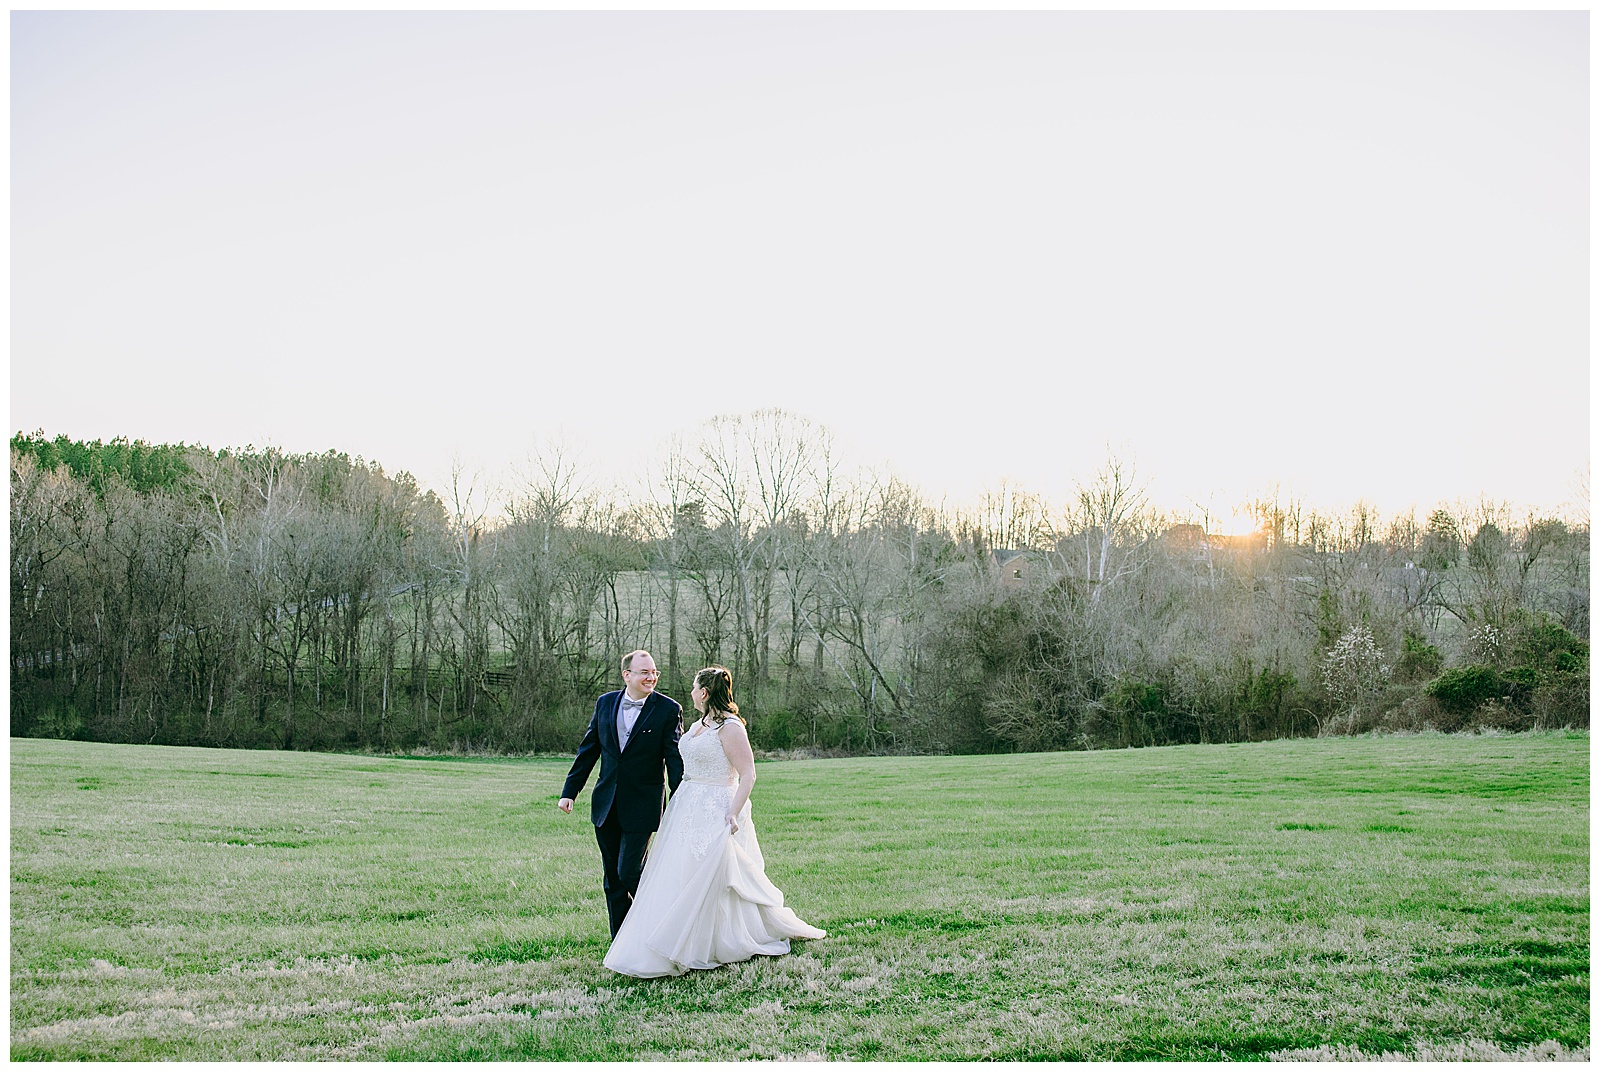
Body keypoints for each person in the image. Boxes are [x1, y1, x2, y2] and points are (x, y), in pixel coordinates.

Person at [603, 665, 825, 978]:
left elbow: (748, 774)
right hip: (687, 807)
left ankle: (716, 940)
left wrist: (733, 812)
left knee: (712, 876)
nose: (691, 693)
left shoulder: (731, 727)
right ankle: (675, 935)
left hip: (717, 807)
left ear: (704, 693)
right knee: (681, 873)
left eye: (695, 688)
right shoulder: (701, 724)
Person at [558, 649, 684, 938]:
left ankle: (658, 927)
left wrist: (679, 799)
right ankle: (622, 942)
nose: (651, 677)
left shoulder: (667, 709)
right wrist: (570, 791)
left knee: (630, 872)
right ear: (627, 675)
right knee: (612, 880)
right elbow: (588, 749)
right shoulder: (605, 704)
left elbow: (674, 758)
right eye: (644, 672)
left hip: (644, 805)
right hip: (606, 804)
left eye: (654, 672)